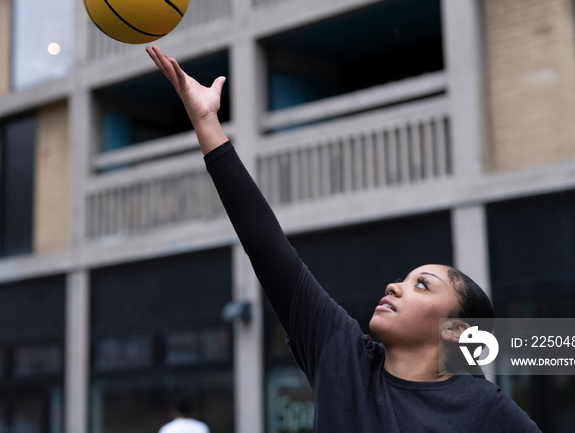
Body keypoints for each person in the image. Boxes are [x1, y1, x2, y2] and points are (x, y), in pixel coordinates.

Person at [146, 45, 542, 432]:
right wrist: (206, 122)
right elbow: (265, 243)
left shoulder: (485, 410)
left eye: (422, 284)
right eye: (406, 279)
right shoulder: (342, 358)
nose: (395, 286)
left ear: (456, 332)